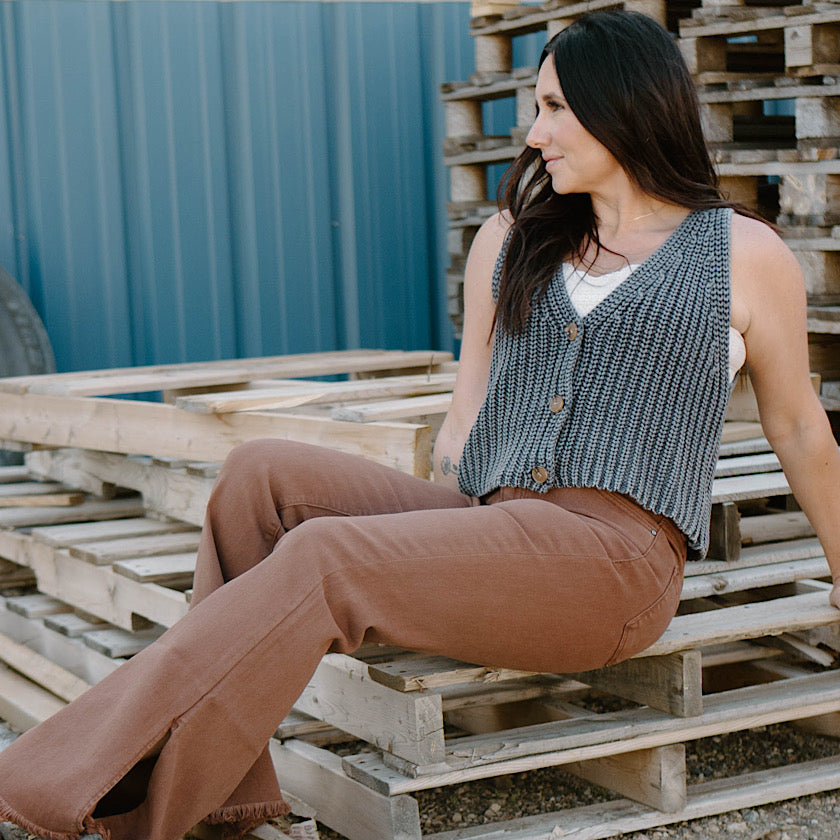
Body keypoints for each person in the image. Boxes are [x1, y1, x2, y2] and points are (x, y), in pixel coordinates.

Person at [1, 9, 839, 840]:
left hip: (616, 564)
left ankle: (71, 788)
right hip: (499, 522)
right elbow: (465, 414)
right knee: (259, 477)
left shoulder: (737, 252)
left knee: (326, 560)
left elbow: (801, 432)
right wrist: (433, 550)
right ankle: (217, 801)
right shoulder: (515, 239)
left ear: (622, 106)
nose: (534, 130)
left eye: (552, 107)